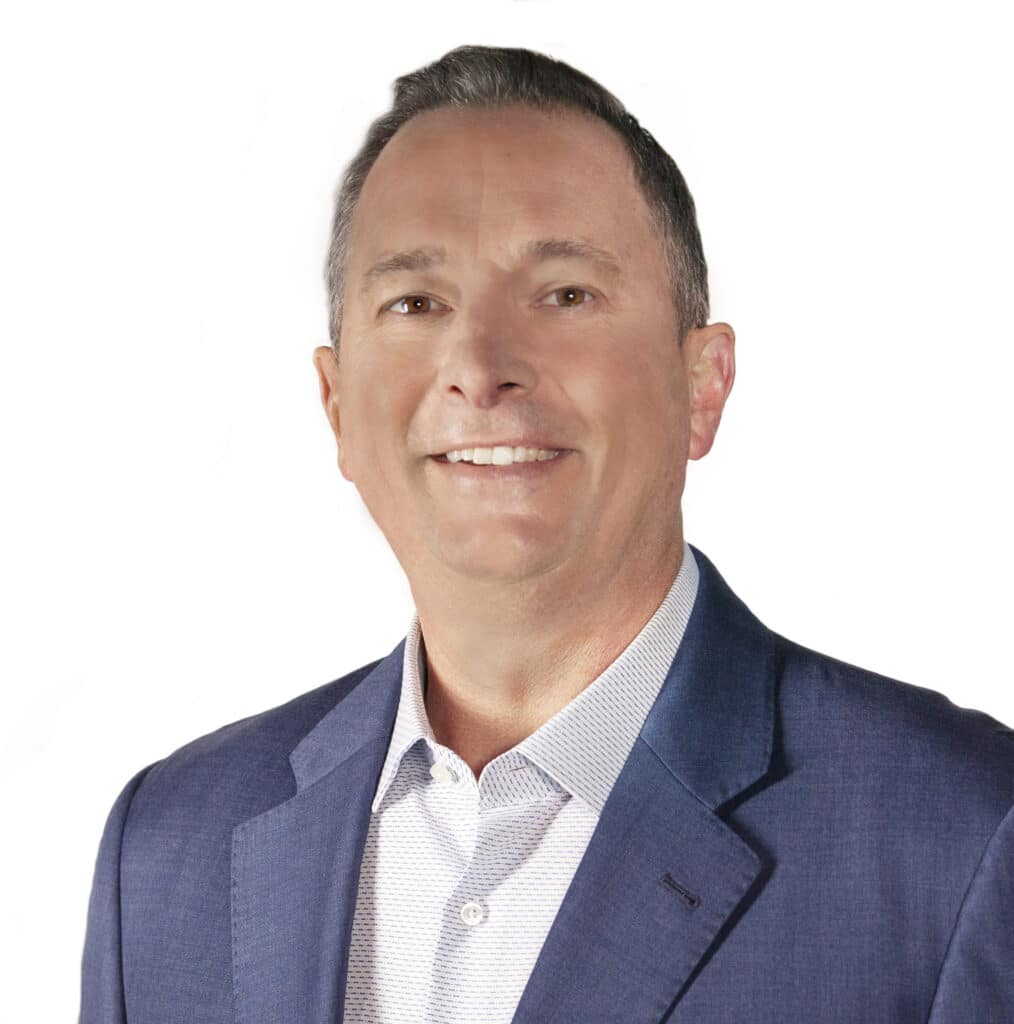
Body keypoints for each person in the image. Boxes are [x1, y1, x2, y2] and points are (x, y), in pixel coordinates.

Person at [80, 44, 1014, 1024]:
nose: (478, 367)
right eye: (415, 303)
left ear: (704, 384)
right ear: (336, 405)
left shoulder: (961, 845)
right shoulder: (168, 851)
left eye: (565, 294)